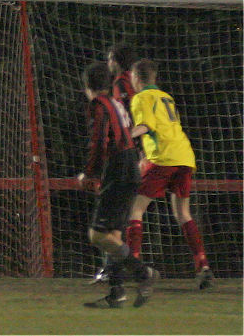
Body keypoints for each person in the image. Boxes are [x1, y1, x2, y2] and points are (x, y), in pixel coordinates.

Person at [127, 59, 214, 290]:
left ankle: (135, 268)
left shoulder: (140, 98)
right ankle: (203, 266)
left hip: (163, 158)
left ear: (135, 78)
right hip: (184, 156)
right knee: (183, 213)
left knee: (135, 209)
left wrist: (124, 136)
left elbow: (146, 126)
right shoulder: (166, 97)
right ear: (154, 78)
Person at [77, 63, 158, 309]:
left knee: (97, 234)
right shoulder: (117, 103)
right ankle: (117, 292)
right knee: (112, 234)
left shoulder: (99, 105)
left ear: (86, 86)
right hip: (131, 165)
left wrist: (90, 174)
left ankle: (143, 273)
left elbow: (99, 143)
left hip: (119, 168)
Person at [90, 43, 139, 285]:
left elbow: (117, 123)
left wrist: (92, 172)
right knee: (120, 220)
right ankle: (115, 275)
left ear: (117, 61)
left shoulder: (119, 83)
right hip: (133, 153)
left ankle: (134, 269)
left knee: (105, 226)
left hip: (124, 154)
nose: (108, 62)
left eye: (110, 58)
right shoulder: (133, 81)